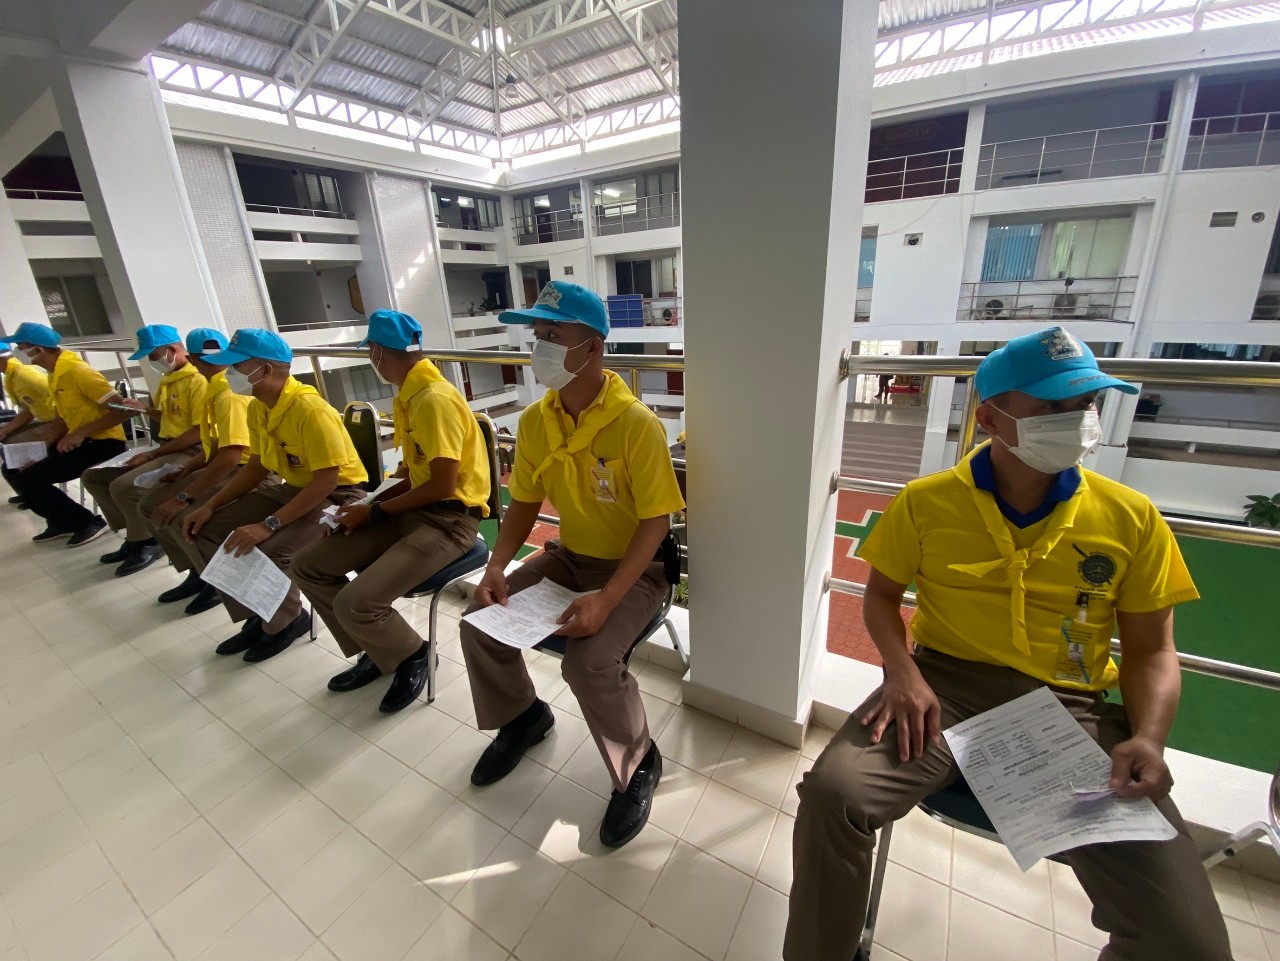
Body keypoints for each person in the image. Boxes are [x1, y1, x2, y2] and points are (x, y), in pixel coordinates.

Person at [784, 327, 1232, 961]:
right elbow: (880, 596)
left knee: (1188, 941)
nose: (1077, 420)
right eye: (1052, 406)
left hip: (1069, 709)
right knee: (833, 798)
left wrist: (1149, 738)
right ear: (990, 418)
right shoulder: (926, 503)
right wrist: (902, 673)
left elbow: (1152, 650)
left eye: (1086, 404)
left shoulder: (1131, 518)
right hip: (942, 690)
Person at [459, 281, 685, 849]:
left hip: (636, 571)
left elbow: (656, 523)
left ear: (593, 347)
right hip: (568, 558)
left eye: (553, 335)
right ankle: (523, 718)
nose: (539, 347)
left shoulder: (636, 424)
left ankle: (638, 763)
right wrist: (496, 566)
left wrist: (607, 599)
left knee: (588, 665)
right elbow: (524, 502)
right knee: (480, 624)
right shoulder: (537, 420)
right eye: (537, 335)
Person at [292, 309, 491, 714]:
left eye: (370, 351)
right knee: (308, 566)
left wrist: (375, 513)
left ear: (377, 351)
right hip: (411, 511)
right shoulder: (410, 395)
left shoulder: (433, 399)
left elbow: (442, 485)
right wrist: (362, 506)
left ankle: (412, 654)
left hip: (449, 520)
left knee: (354, 602)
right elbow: (412, 473)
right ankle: (379, 647)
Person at [180, 329, 367, 662]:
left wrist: (268, 525)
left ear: (264, 370)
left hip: (337, 495)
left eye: (236, 366)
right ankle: (259, 611)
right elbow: (257, 465)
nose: (229, 373)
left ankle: (286, 621)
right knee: (205, 528)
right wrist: (210, 505)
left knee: (271, 548)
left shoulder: (310, 409)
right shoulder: (258, 407)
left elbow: (326, 481)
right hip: (293, 487)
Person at [138, 328, 253, 610]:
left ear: (191, 359)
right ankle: (197, 571)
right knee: (149, 505)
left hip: (245, 469)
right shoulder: (215, 389)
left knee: (188, 519)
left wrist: (184, 496)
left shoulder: (228, 394)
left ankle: (216, 584)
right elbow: (216, 444)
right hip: (225, 463)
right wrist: (187, 470)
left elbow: (232, 456)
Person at [82, 325, 208, 577]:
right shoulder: (169, 381)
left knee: (125, 487)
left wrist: (151, 455)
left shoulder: (197, 381)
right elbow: (171, 418)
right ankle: (135, 534)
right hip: (167, 445)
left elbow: (197, 432)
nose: (152, 361)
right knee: (94, 477)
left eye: (153, 355)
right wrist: (145, 410)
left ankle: (148, 541)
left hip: (190, 449)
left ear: (172, 349)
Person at [3, 322, 127, 546]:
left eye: (21, 347)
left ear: (38, 349)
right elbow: (61, 419)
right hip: (82, 441)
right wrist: (38, 450)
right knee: (16, 469)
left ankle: (87, 522)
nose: (18, 352)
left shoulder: (78, 372)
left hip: (104, 443)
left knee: (30, 479)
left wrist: (78, 434)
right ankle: (60, 521)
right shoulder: (55, 374)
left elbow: (122, 411)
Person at [0, 345, 56, 507]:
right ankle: (29, 494)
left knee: (11, 448)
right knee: (8, 455)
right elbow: (29, 409)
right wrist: (7, 429)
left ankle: (32, 492)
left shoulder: (25, 375)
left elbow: (58, 402)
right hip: (45, 420)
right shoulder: (12, 376)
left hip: (56, 423)